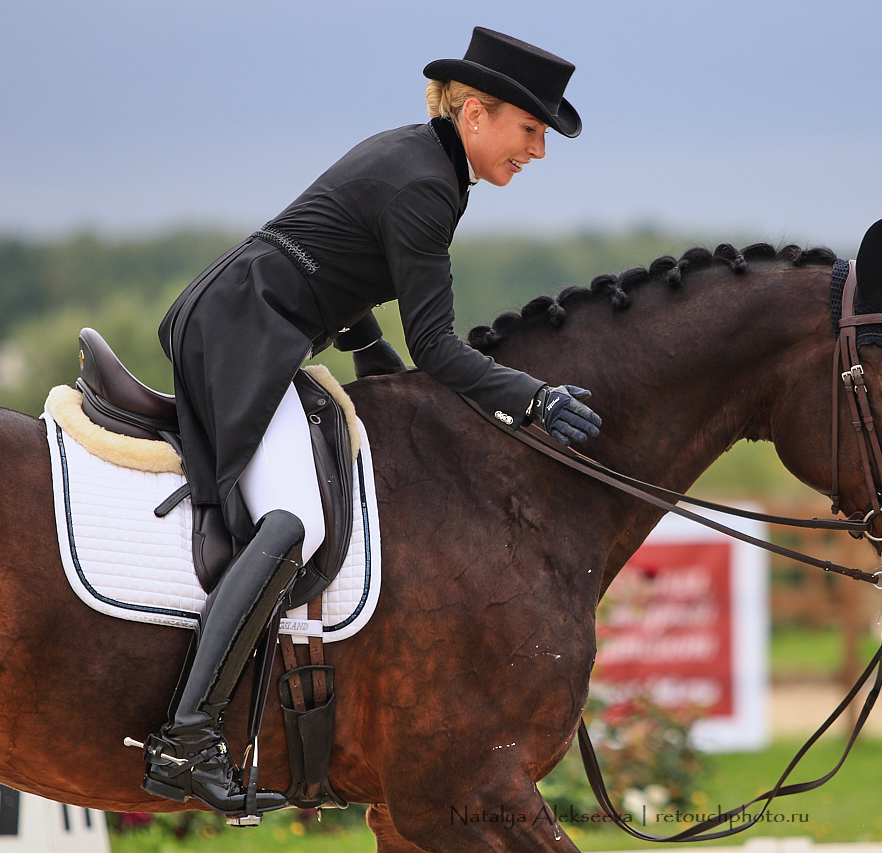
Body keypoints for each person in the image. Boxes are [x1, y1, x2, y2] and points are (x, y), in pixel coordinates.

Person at [137, 27, 603, 816]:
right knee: (292, 523)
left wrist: (373, 359)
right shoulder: (427, 186)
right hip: (244, 334)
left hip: (245, 321)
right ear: (477, 112)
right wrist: (532, 397)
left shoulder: (416, 158)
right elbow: (440, 346)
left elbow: (338, 266)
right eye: (530, 131)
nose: (538, 152)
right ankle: (185, 736)